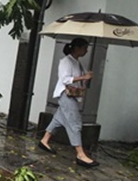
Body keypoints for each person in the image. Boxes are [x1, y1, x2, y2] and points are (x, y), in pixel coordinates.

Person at [39, 37, 100, 168]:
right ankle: (80, 154)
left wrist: (87, 76)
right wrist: (84, 76)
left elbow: (81, 79)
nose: (86, 51)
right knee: (74, 122)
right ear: (77, 48)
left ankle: (44, 140)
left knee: (59, 119)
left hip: (72, 95)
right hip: (65, 94)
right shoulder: (65, 61)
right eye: (84, 48)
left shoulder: (77, 63)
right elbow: (65, 79)